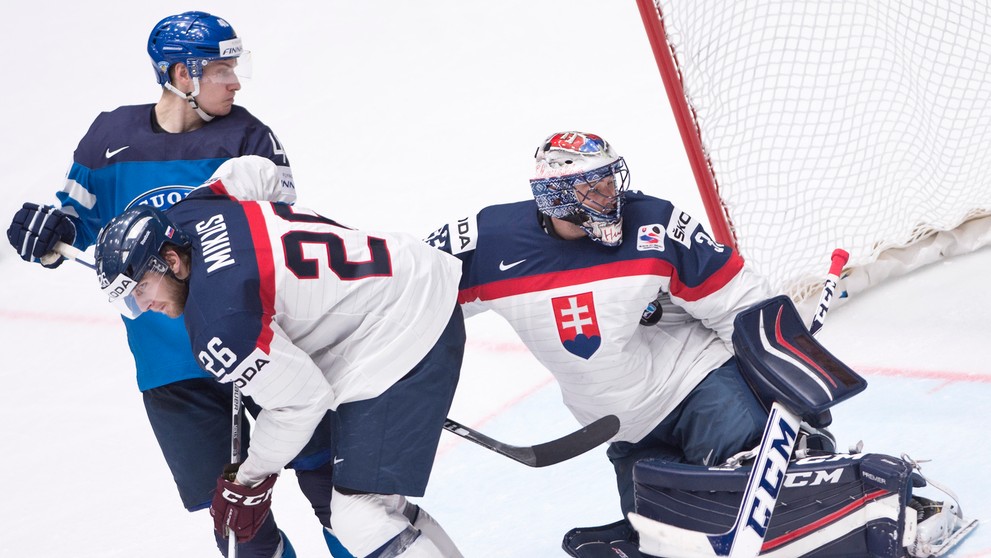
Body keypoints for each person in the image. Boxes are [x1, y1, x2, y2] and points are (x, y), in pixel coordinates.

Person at [5, 12, 343, 558]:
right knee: (240, 531)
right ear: (183, 75)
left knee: (338, 497)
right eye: (222, 70)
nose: (235, 82)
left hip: (263, 348)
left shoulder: (250, 139)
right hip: (175, 372)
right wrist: (46, 232)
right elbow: (75, 224)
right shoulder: (108, 139)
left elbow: (276, 241)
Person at [93, 155, 467, 558]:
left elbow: (303, 402)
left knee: (359, 516)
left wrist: (250, 478)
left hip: (399, 327)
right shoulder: (195, 207)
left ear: (170, 261)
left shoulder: (218, 324)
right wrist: (279, 235)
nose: (143, 305)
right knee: (372, 510)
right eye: (130, 300)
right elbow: (260, 171)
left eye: (142, 288)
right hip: (407, 275)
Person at [424, 131, 776, 556]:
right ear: (555, 194)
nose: (611, 193)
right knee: (668, 543)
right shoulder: (490, 239)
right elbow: (411, 288)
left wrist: (783, 380)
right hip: (626, 429)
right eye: (595, 186)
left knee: (754, 507)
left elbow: (741, 300)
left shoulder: (655, 222)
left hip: (701, 386)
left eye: (611, 179)